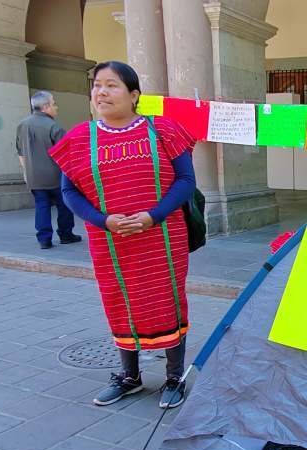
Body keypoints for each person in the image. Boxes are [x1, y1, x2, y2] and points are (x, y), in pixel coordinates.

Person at [49, 61, 197, 409]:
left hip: (161, 237)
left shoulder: (164, 130)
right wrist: (103, 221)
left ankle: (174, 377)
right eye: (97, 85)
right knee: (120, 302)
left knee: (168, 300)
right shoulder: (79, 139)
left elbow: (186, 181)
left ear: (134, 95)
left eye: (111, 85)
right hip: (110, 241)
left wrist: (153, 216)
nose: (101, 92)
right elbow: (69, 193)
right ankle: (129, 377)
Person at [16, 91, 81, 249]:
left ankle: (44, 239)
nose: (56, 107)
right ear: (45, 107)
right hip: (56, 175)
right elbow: (67, 153)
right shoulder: (53, 126)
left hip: (33, 176)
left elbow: (20, 152)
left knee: (41, 206)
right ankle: (66, 234)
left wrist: (26, 172)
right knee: (64, 205)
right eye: (53, 104)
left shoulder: (22, 125)